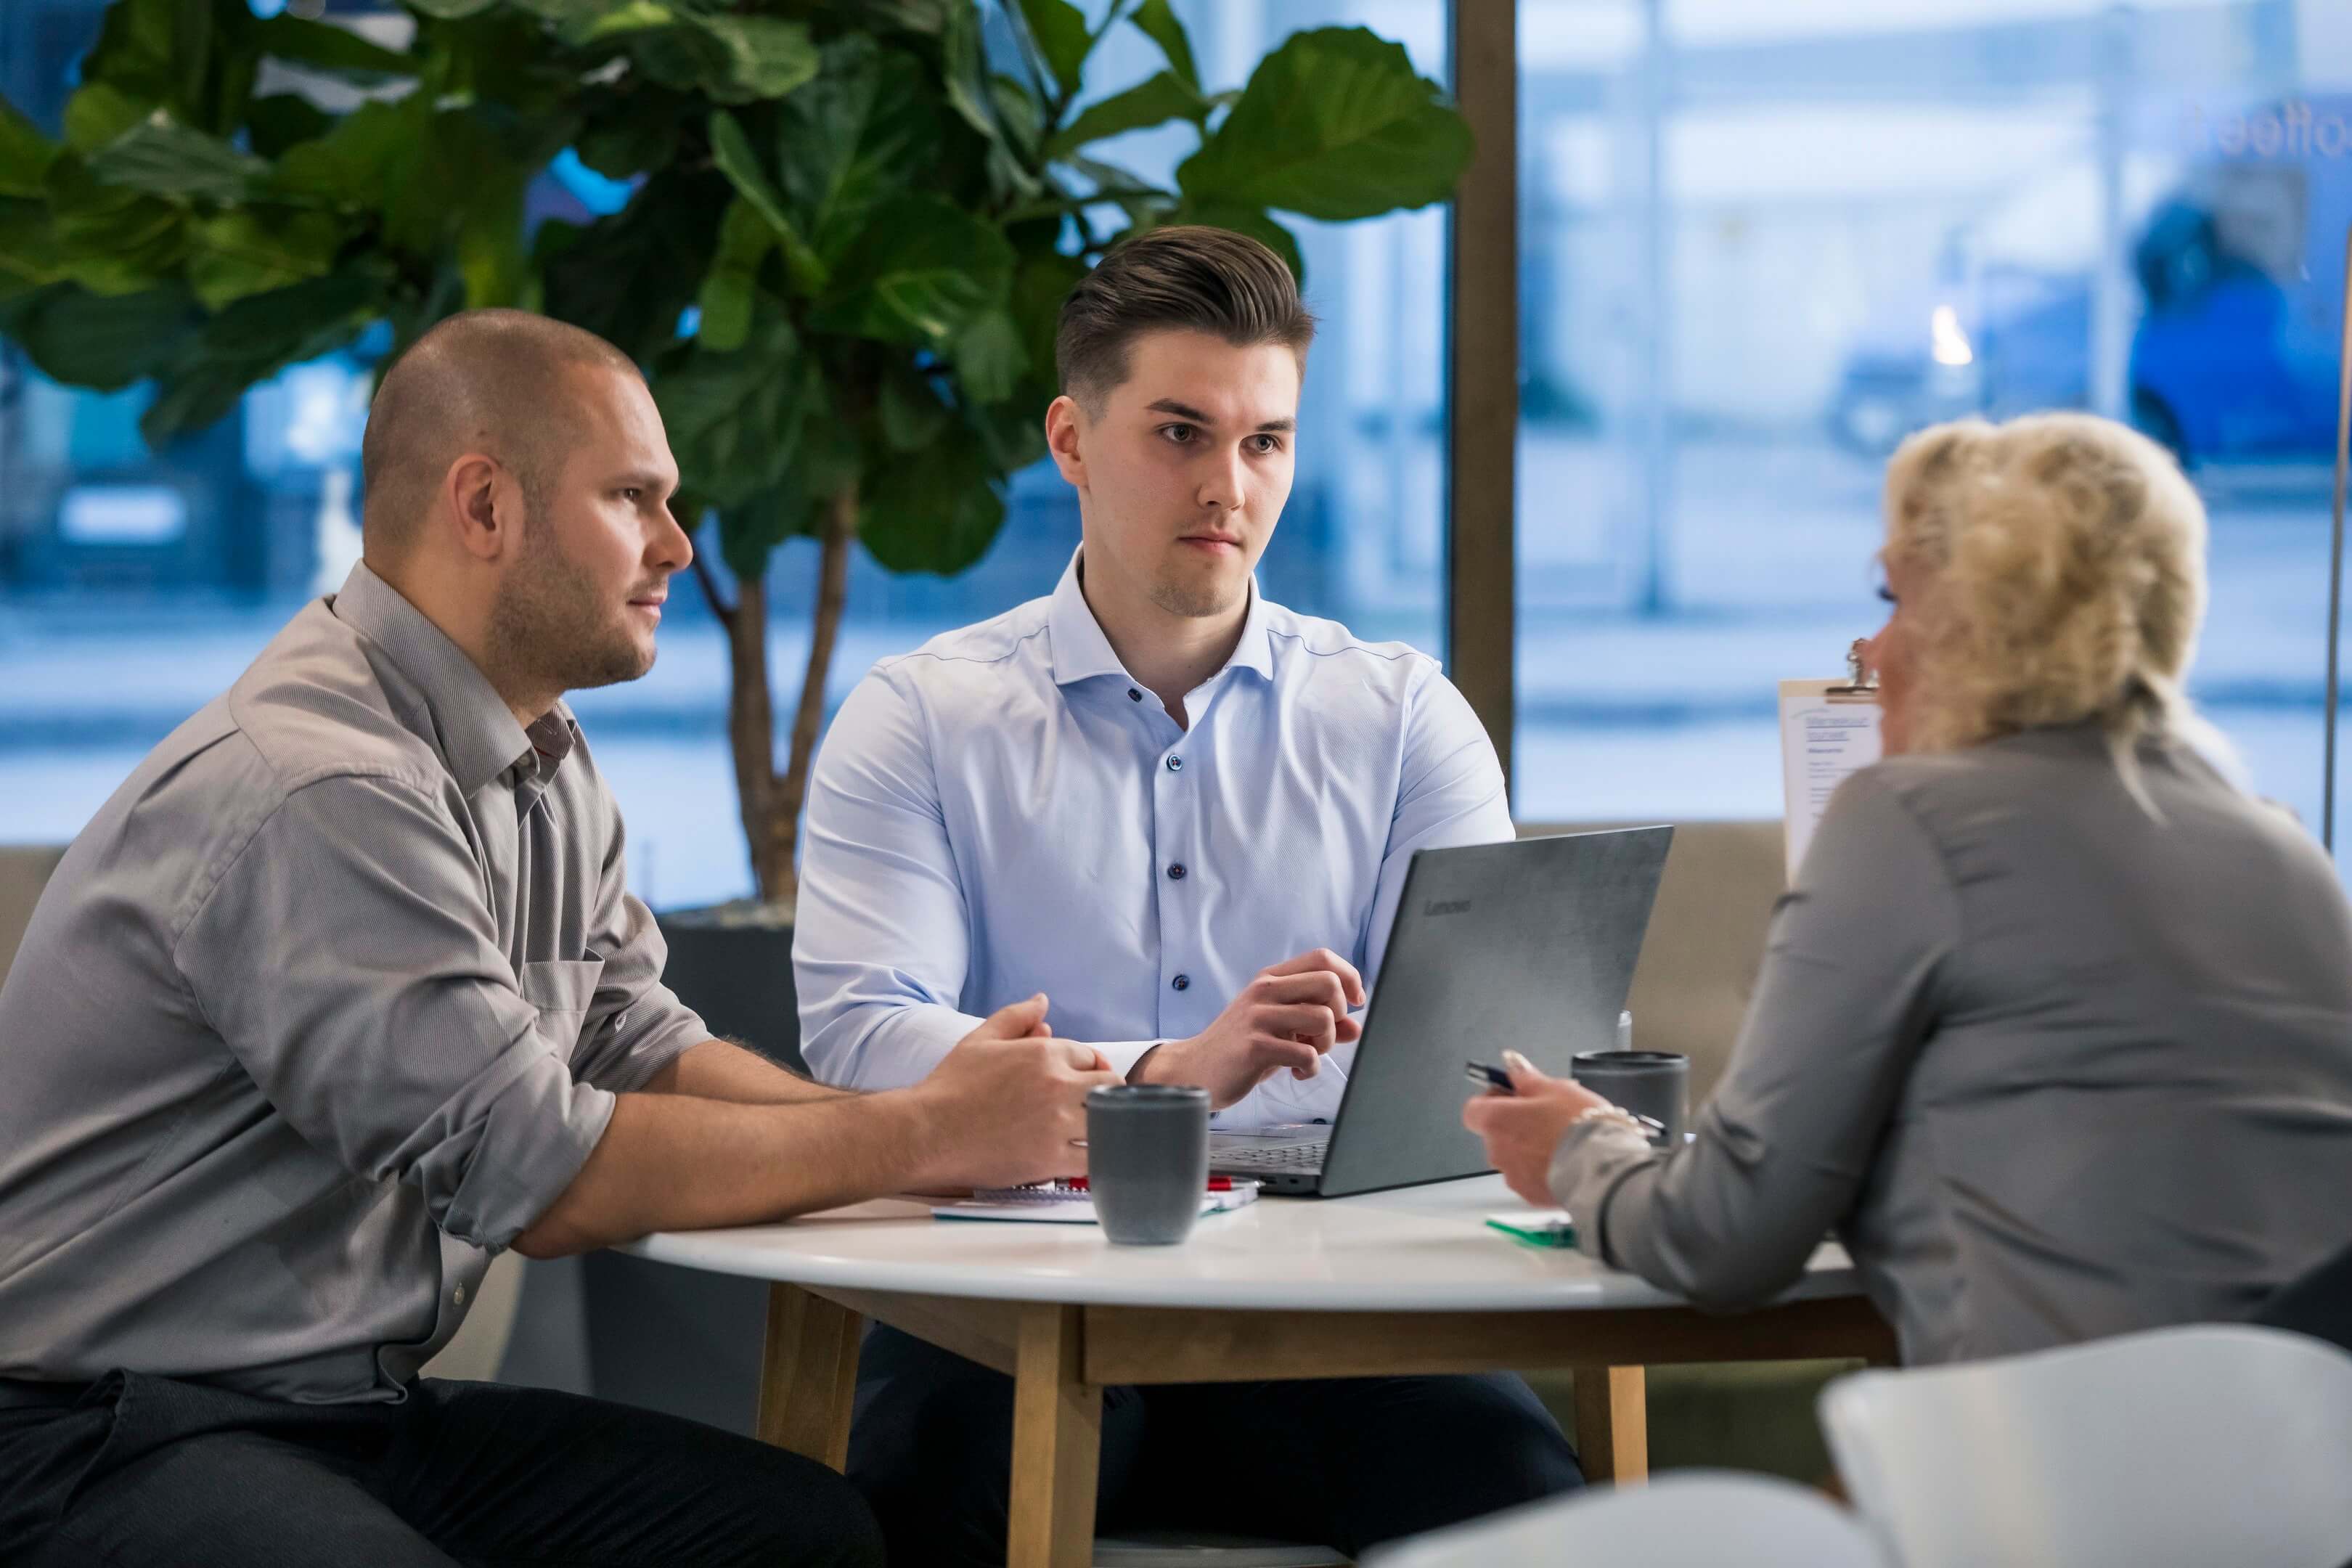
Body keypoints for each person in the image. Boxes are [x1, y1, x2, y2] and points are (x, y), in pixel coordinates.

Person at [0, 310, 1121, 1567]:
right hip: (94, 1430)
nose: (680, 547)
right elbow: (537, 1168)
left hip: (341, 1412)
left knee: (808, 1538)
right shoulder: (325, 785)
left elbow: (632, 1041)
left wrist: (936, 1154)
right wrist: (922, 1133)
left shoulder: (537, 753)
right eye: (633, 497)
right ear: (485, 506)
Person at [793, 226, 1582, 1565]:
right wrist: (1167, 1078)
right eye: (1179, 433)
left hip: (1333, 1315)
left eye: (1265, 441)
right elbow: (868, 1038)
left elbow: (1480, 1051)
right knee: (929, 1503)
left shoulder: (1401, 718)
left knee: (1525, 1498)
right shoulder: (919, 719)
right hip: (1014, 1304)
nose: (1229, 485)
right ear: (1071, 439)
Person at [1466, 411, 2352, 1367]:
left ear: (1983, 622)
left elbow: (1724, 1238)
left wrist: (1581, 1147)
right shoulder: (2281, 844)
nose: (1872, 654)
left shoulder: (1912, 818)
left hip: (2080, 1468)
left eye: (1896, 599)